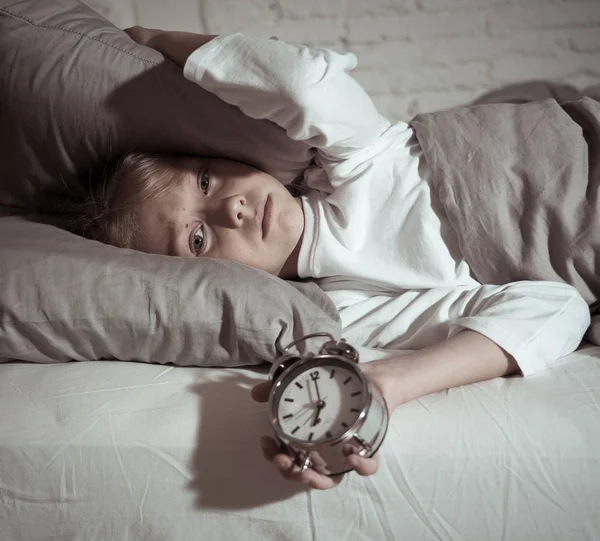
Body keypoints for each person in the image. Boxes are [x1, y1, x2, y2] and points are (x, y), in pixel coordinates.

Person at [73, 27, 591, 489]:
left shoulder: (356, 158)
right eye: (197, 239)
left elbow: (304, 85)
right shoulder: (348, 312)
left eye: (205, 180)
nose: (230, 207)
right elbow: (556, 308)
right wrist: (382, 389)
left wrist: (156, 39)